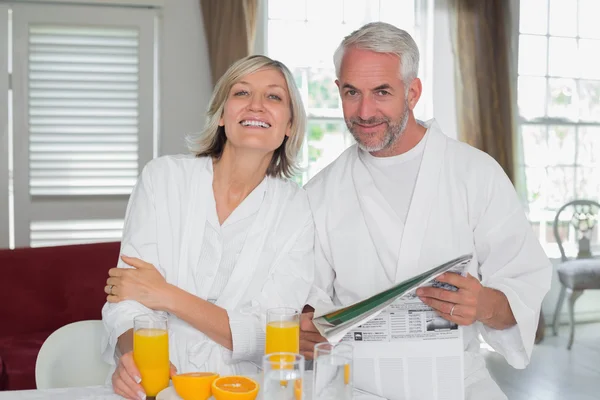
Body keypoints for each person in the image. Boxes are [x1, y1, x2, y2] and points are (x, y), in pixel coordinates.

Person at [299, 22, 552, 399]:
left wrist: (484, 304)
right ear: (338, 90)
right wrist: (305, 325)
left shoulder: (475, 173)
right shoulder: (319, 193)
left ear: (412, 92)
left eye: (381, 92)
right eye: (352, 92)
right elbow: (305, 301)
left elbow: (522, 287)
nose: (365, 111)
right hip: (356, 386)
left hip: (458, 385)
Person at [101, 55, 314, 400]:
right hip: (158, 383)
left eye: (274, 97)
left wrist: (166, 294)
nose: (257, 105)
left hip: (243, 389)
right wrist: (131, 357)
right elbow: (127, 298)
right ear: (221, 113)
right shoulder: (163, 178)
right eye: (242, 93)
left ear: (290, 124)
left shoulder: (297, 209)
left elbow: (270, 333)